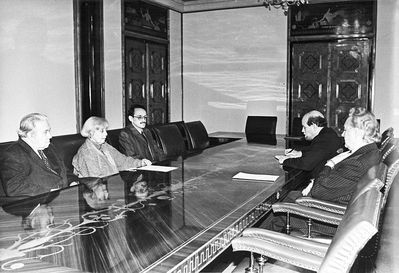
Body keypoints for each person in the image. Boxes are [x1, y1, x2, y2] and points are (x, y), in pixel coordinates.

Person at [307, 107, 381, 204]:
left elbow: (317, 192)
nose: (342, 134)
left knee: (284, 201)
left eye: (346, 130)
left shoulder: (357, 164)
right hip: (334, 201)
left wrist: (329, 164)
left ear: (358, 132)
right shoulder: (372, 152)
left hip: (327, 210)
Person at [0, 113, 70, 196]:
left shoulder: (49, 148)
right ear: (30, 135)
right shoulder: (12, 154)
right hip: (40, 203)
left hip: (64, 196)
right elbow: (14, 188)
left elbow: (65, 172)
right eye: (45, 132)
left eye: (49, 131)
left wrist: (73, 182)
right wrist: (50, 192)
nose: (50, 136)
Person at [72, 116, 152, 178]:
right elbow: (95, 180)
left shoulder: (104, 146)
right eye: (102, 131)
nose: (106, 134)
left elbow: (123, 161)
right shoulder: (86, 153)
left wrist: (140, 162)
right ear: (91, 133)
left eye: (106, 130)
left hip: (111, 186)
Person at [276, 110, 343, 179]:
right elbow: (316, 150)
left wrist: (284, 160)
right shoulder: (328, 133)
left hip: (321, 182)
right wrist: (300, 153)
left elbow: (306, 164)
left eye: (304, 127)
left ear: (314, 126)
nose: (302, 130)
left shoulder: (323, 139)